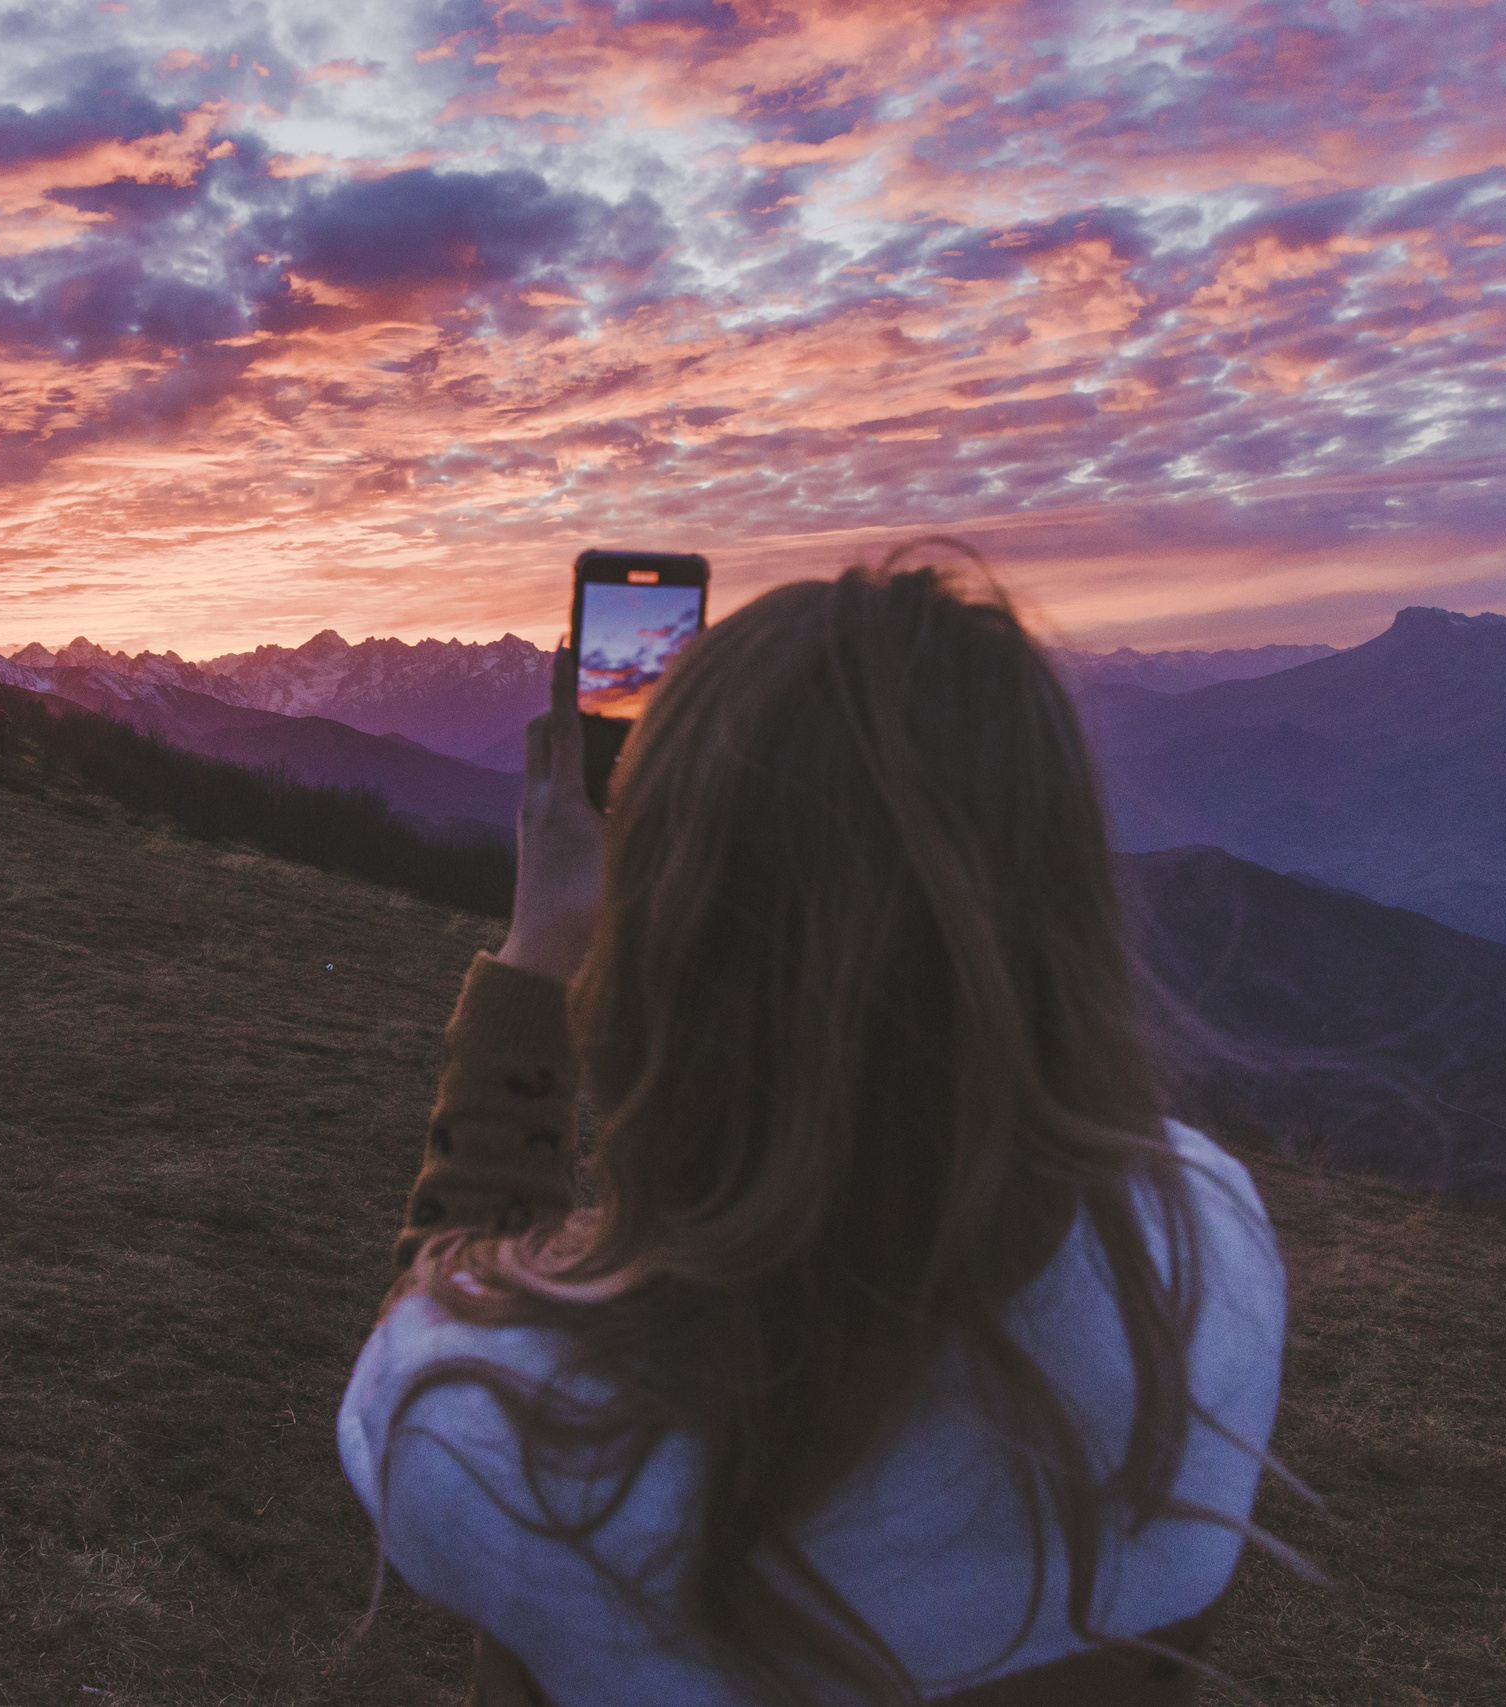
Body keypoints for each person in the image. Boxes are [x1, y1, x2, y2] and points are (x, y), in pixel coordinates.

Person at [337, 554, 1295, 1706]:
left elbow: (443, 1308)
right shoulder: (1198, 1251)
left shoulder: (503, 1433)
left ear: (677, 958)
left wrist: (541, 951)